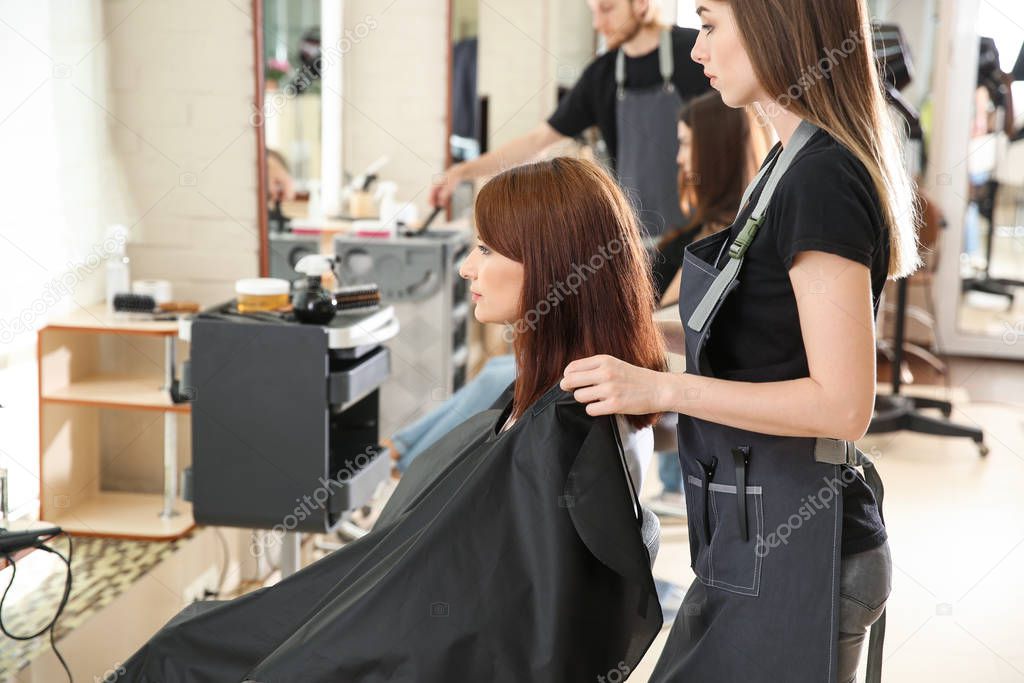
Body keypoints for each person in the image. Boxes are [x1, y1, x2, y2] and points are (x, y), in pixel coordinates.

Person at [119, 158, 667, 682]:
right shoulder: (545, 399)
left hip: (416, 646)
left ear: (552, 265)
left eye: (484, 249)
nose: (466, 267)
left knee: (185, 655)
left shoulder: (563, 430)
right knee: (187, 643)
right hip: (402, 628)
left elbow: (504, 634)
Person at [561, 1, 915, 680]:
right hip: (754, 537)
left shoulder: (821, 179)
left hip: (807, 552)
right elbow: (767, 351)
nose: (697, 51)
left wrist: (663, 386)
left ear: (776, 27)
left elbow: (843, 405)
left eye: (711, 24)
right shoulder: (784, 163)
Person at [430, 0, 711, 239]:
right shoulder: (600, 75)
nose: (599, 23)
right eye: (593, 12)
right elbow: (537, 141)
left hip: (702, 231)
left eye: (608, 9)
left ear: (640, 4)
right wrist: (461, 172)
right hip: (637, 238)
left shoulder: (697, 54)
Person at [647, 89, 767, 515]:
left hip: (666, 383)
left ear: (712, 151)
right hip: (660, 367)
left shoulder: (717, 246)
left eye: (685, 144)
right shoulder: (710, 232)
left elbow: (683, 326)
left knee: (501, 381)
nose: (679, 158)